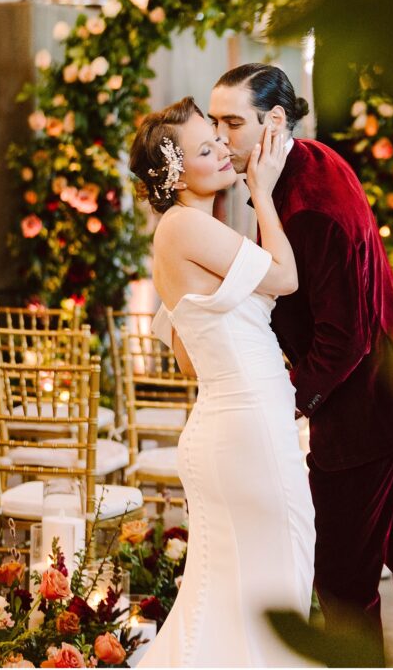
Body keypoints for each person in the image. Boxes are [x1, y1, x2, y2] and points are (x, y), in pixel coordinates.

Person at [209, 64, 393, 668]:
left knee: (342, 582)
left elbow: (341, 341)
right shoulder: (313, 160)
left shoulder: (306, 209)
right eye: (215, 122)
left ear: (274, 121)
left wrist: (284, 399)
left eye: (232, 122)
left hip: (362, 417)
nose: (221, 137)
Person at [128, 96, 316, 668]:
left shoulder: (183, 232)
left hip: (231, 428)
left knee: (230, 602)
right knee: (275, 584)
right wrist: (264, 190)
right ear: (179, 172)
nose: (224, 152)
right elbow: (285, 277)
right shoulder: (185, 226)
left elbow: (187, 357)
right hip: (247, 431)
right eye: (207, 148)